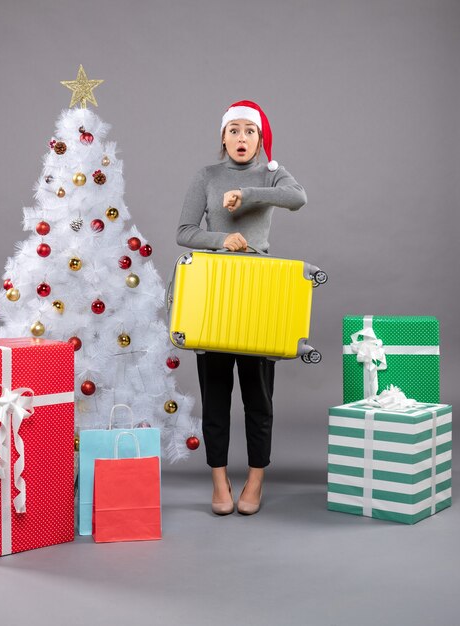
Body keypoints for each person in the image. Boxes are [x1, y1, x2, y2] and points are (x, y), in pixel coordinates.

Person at [176, 100, 307, 515]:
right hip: (214, 292)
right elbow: (184, 231)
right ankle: (219, 480)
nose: (241, 138)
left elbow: (297, 198)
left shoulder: (272, 173)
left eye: (249, 131)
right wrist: (221, 241)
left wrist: (248, 193)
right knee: (215, 395)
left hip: (261, 294)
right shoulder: (206, 176)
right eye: (233, 130)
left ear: (261, 138)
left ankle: (255, 479)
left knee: (258, 396)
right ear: (223, 137)